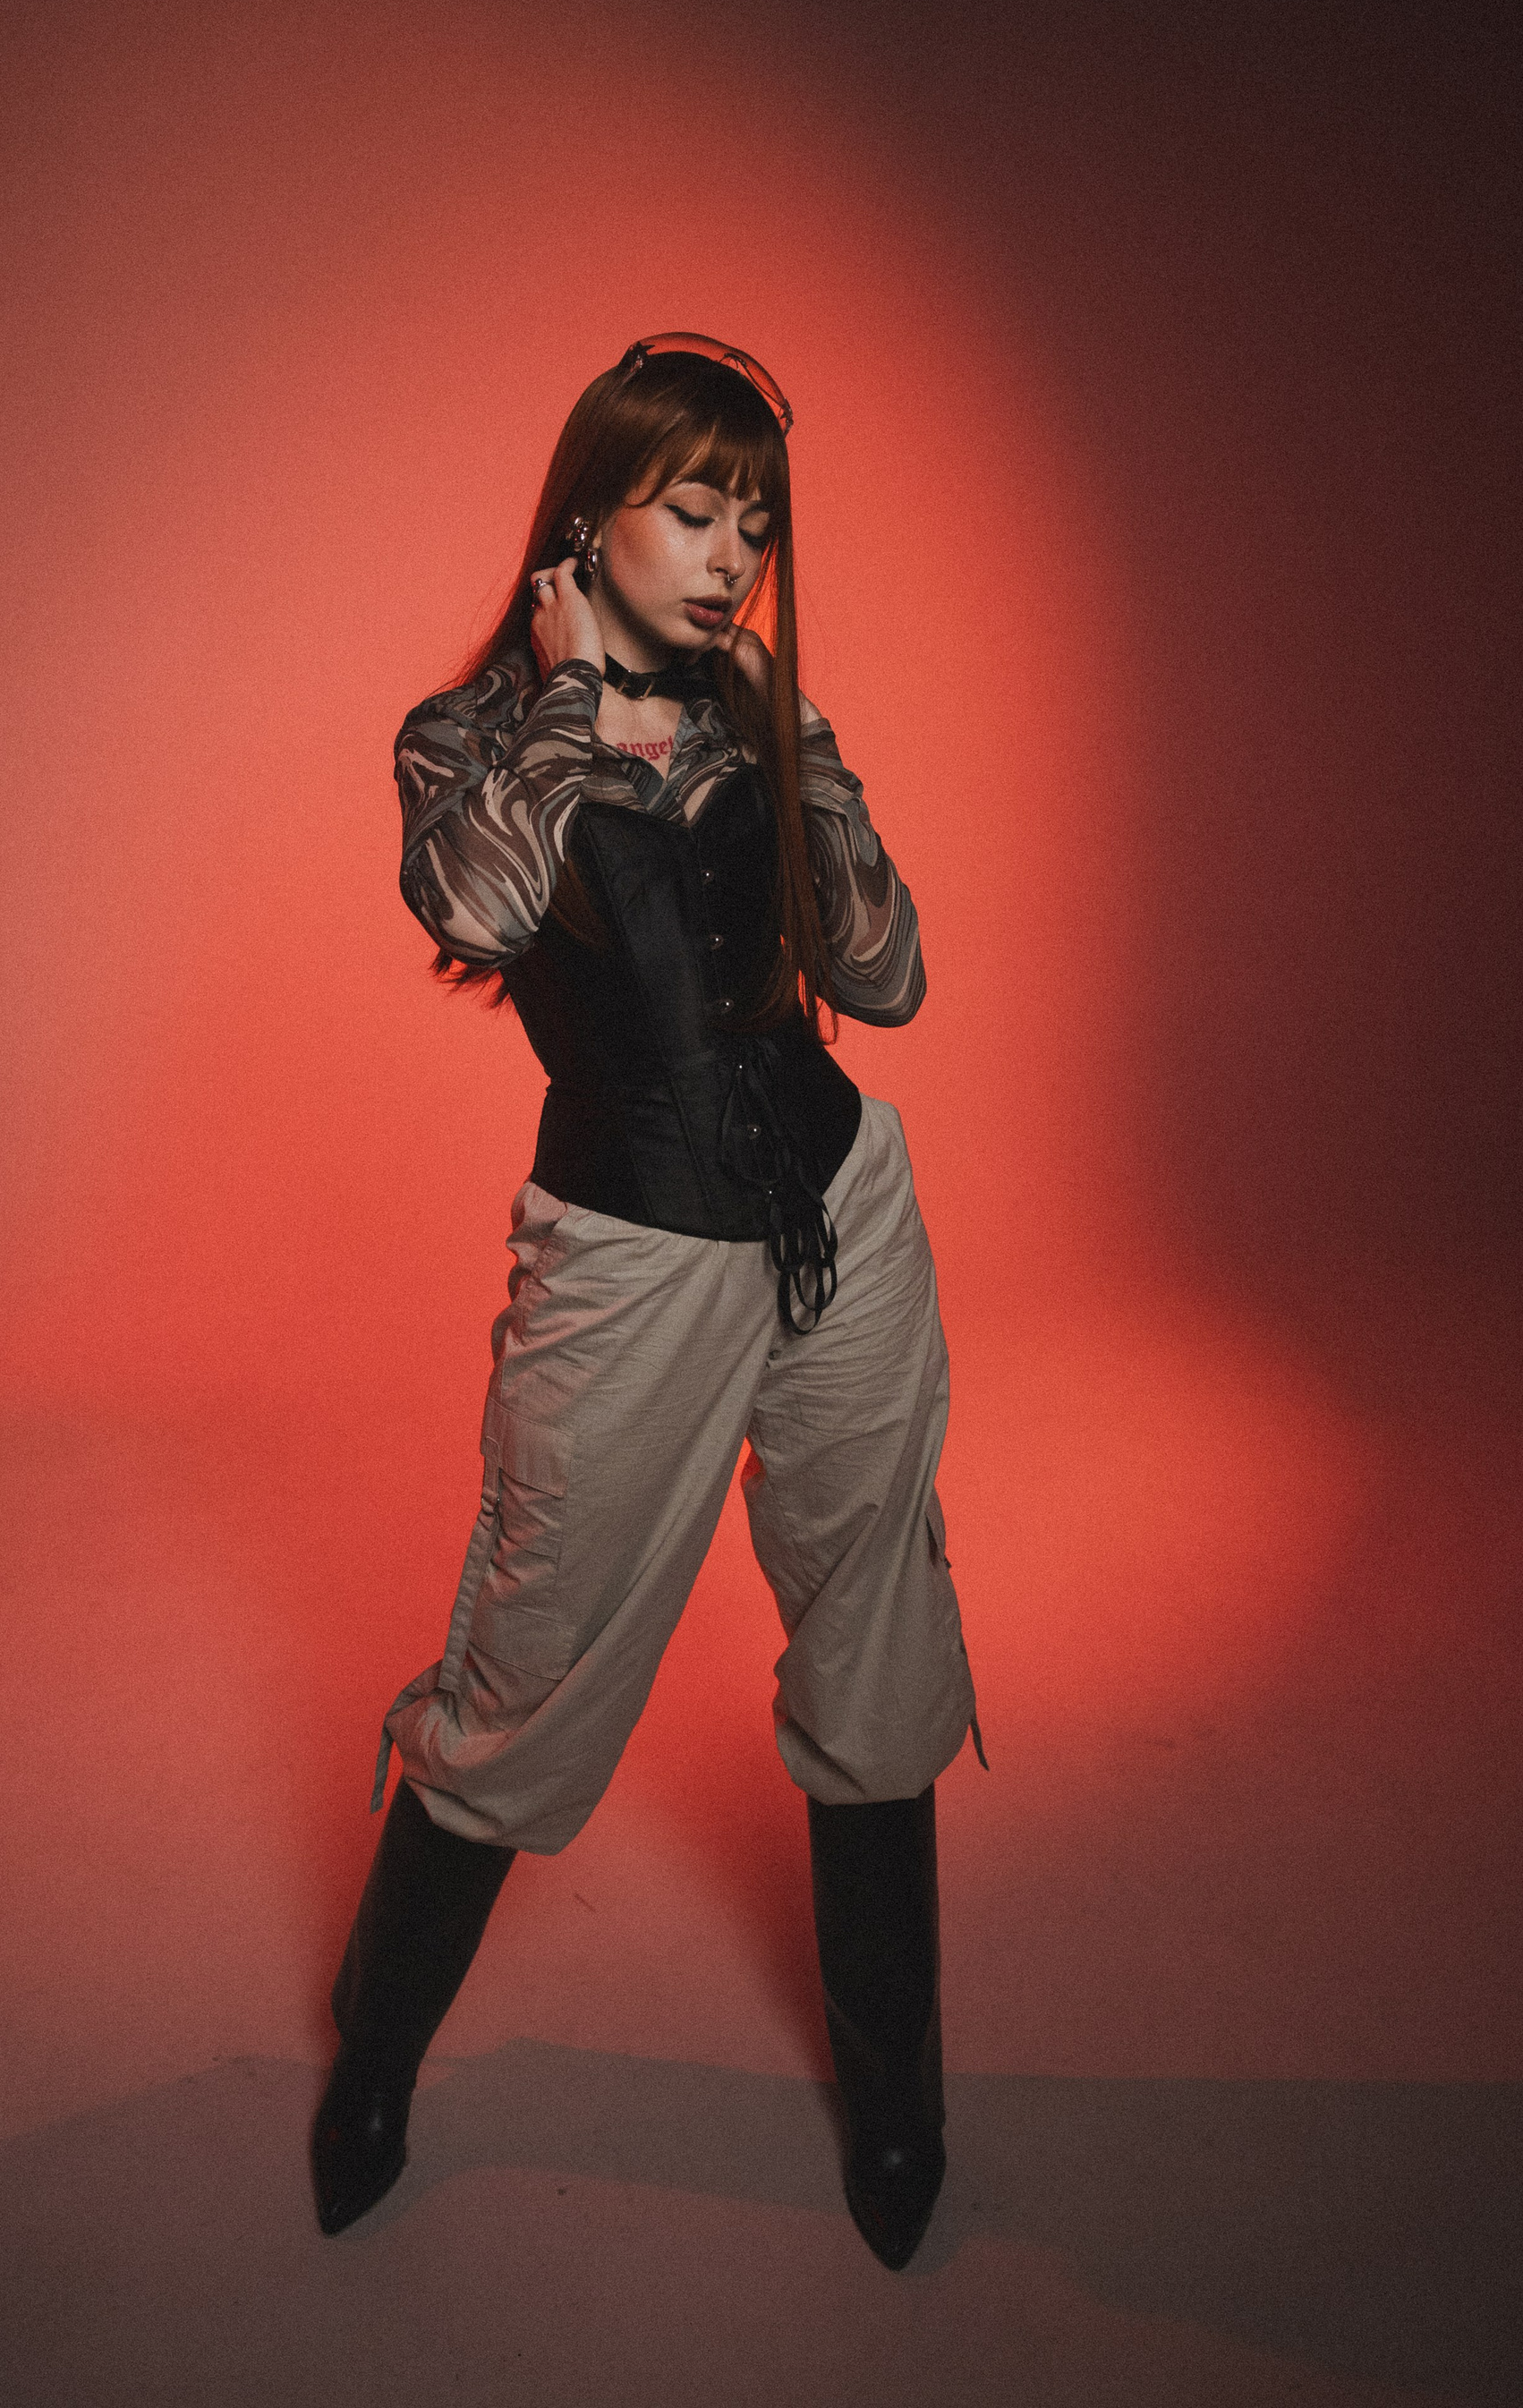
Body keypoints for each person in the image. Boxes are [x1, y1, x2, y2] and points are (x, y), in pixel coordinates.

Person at [311, 334, 983, 2269]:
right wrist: (563, 702)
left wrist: (802, 746)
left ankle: (899, 2099)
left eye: (756, 526)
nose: (730, 559)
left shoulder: (760, 707)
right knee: (525, 1677)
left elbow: (889, 977)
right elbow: (472, 908)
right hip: (629, 1259)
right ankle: (374, 2054)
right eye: (694, 512)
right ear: (590, 513)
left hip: (847, 1221)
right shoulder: (469, 731)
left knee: (879, 1650)